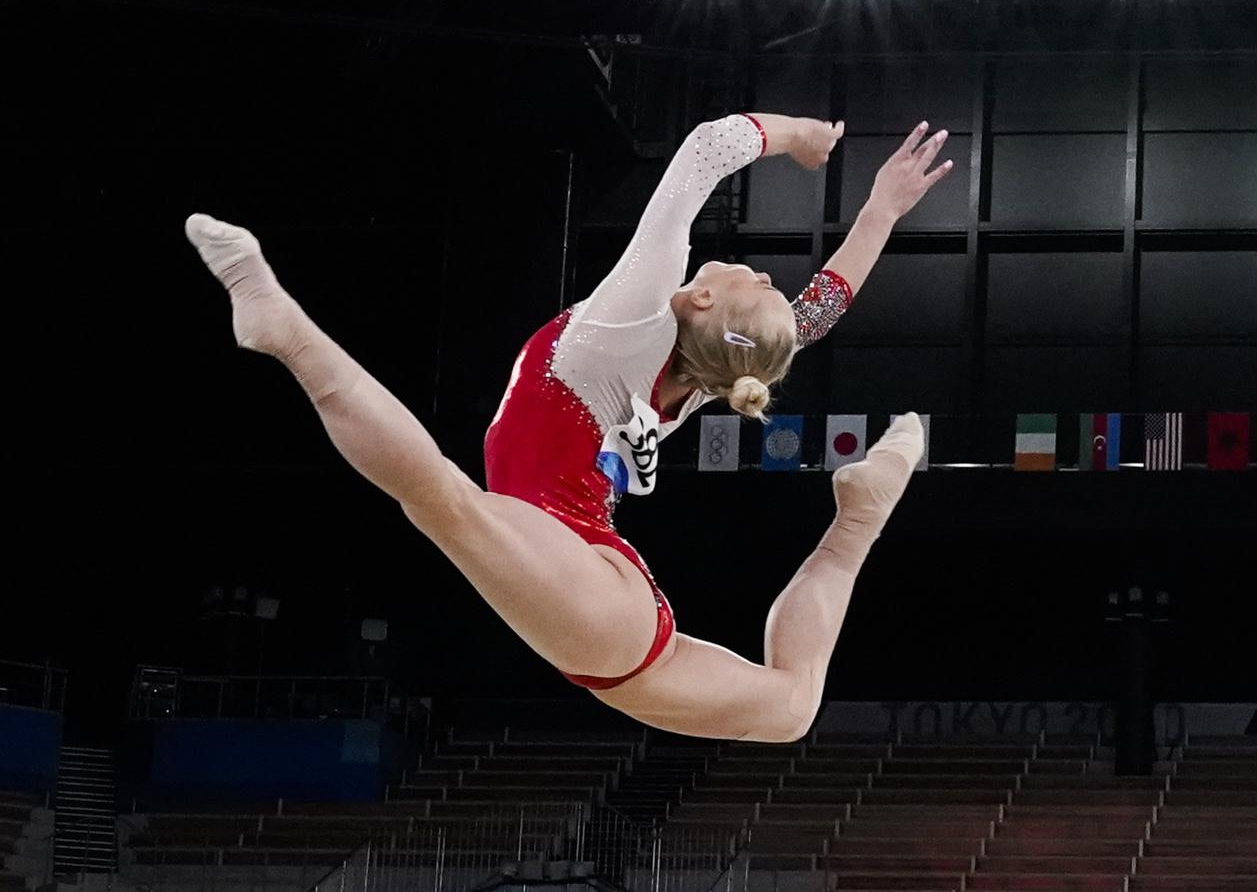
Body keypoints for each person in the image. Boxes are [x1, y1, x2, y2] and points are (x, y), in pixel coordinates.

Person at [185, 113, 954, 741]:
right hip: (596, 591)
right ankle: (858, 520)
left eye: (760, 282)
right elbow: (808, 320)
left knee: (444, 504)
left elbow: (704, 152)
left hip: (586, 582)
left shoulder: (641, 313)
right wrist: (880, 209)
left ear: (707, 304)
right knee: (790, 708)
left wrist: (799, 135)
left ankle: (281, 322)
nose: (761, 273)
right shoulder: (710, 374)